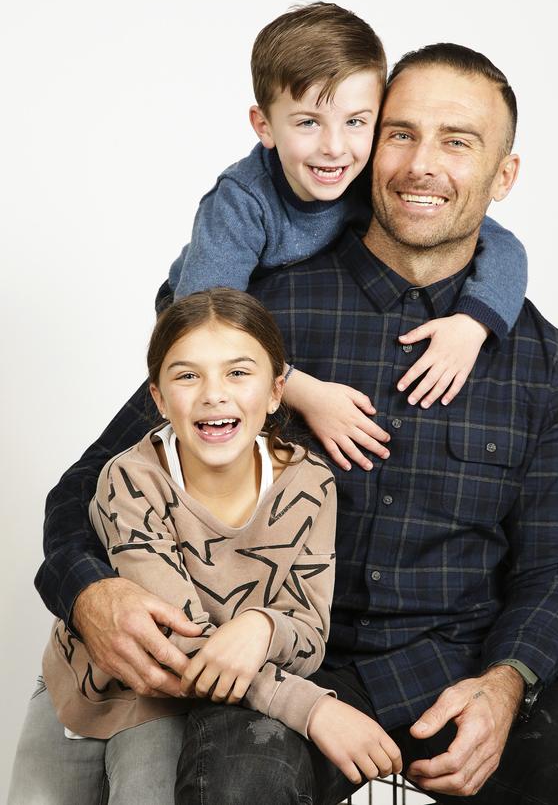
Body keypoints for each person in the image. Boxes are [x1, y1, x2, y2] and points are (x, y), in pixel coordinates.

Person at [34, 43, 558, 805]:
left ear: (504, 176)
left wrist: (504, 684)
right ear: (367, 149)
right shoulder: (260, 321)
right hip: (279, 673)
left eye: (457, 142)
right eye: (400, 133)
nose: (422, 163)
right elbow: (83, 495)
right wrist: (91, 594)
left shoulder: (545, 362)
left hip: (462, 666)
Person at [9, 288, 341, 804]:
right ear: (159, 399)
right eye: (188, 375)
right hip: (87, 679)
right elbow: (175, 645)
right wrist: (314, 709)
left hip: (179, 702)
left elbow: (308, 631)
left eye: (238, 372)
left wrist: (263, 624)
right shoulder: (130, 478)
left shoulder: (310, 483)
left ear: (277, 391)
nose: (214, 394)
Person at [166, 2, 529, 473]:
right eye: (307, 122)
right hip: (198, 305)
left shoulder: (361, 174)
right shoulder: (241, 202)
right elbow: (203, 327)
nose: (334, 147)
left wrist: (472, 324)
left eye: (357, 122)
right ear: (264, 126)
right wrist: (304, 392)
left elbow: (501, 245)